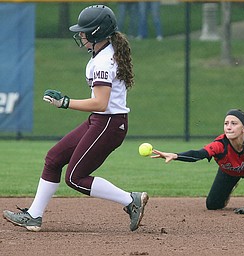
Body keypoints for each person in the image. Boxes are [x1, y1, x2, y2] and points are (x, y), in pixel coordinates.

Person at [3, 5, 149, 232]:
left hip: (109, 123)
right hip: (102, 121)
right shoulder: (104, 53)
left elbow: (100, 103)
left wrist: (65, 103)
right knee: (53, 159)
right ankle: (34, 215)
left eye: (84, 30)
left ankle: (131, 200)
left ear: (97, 32)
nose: (81, 34)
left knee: (75, 177)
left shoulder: (103, 61)